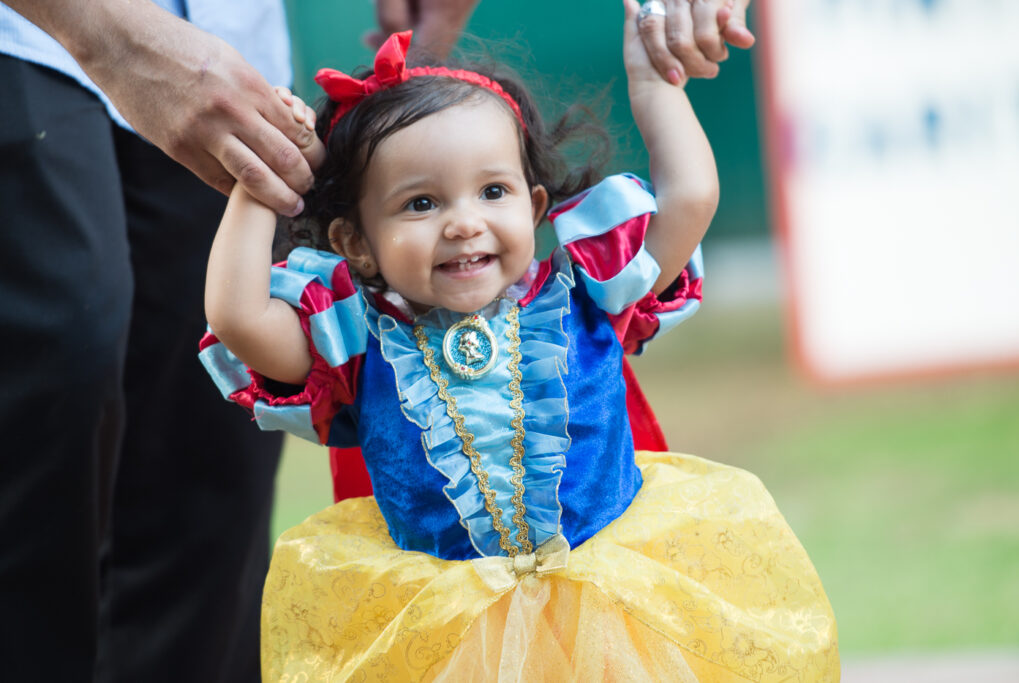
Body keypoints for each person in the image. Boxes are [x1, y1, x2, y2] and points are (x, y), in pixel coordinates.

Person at [201, 1, 839, 679]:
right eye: (422, 203)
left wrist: (655, 85)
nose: (464, 222)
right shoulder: (356, 344)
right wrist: (259, 181)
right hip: (446, 639)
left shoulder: (588, 293)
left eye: (492, 191)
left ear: (534, 208)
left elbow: (690, 197)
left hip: (614, 627)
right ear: (356, 242)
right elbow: (239, 315)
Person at [0, 1, 478, 681]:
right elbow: (240, 318)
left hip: (228, 37)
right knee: (60, 353)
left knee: (210, 468)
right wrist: (110, 33)